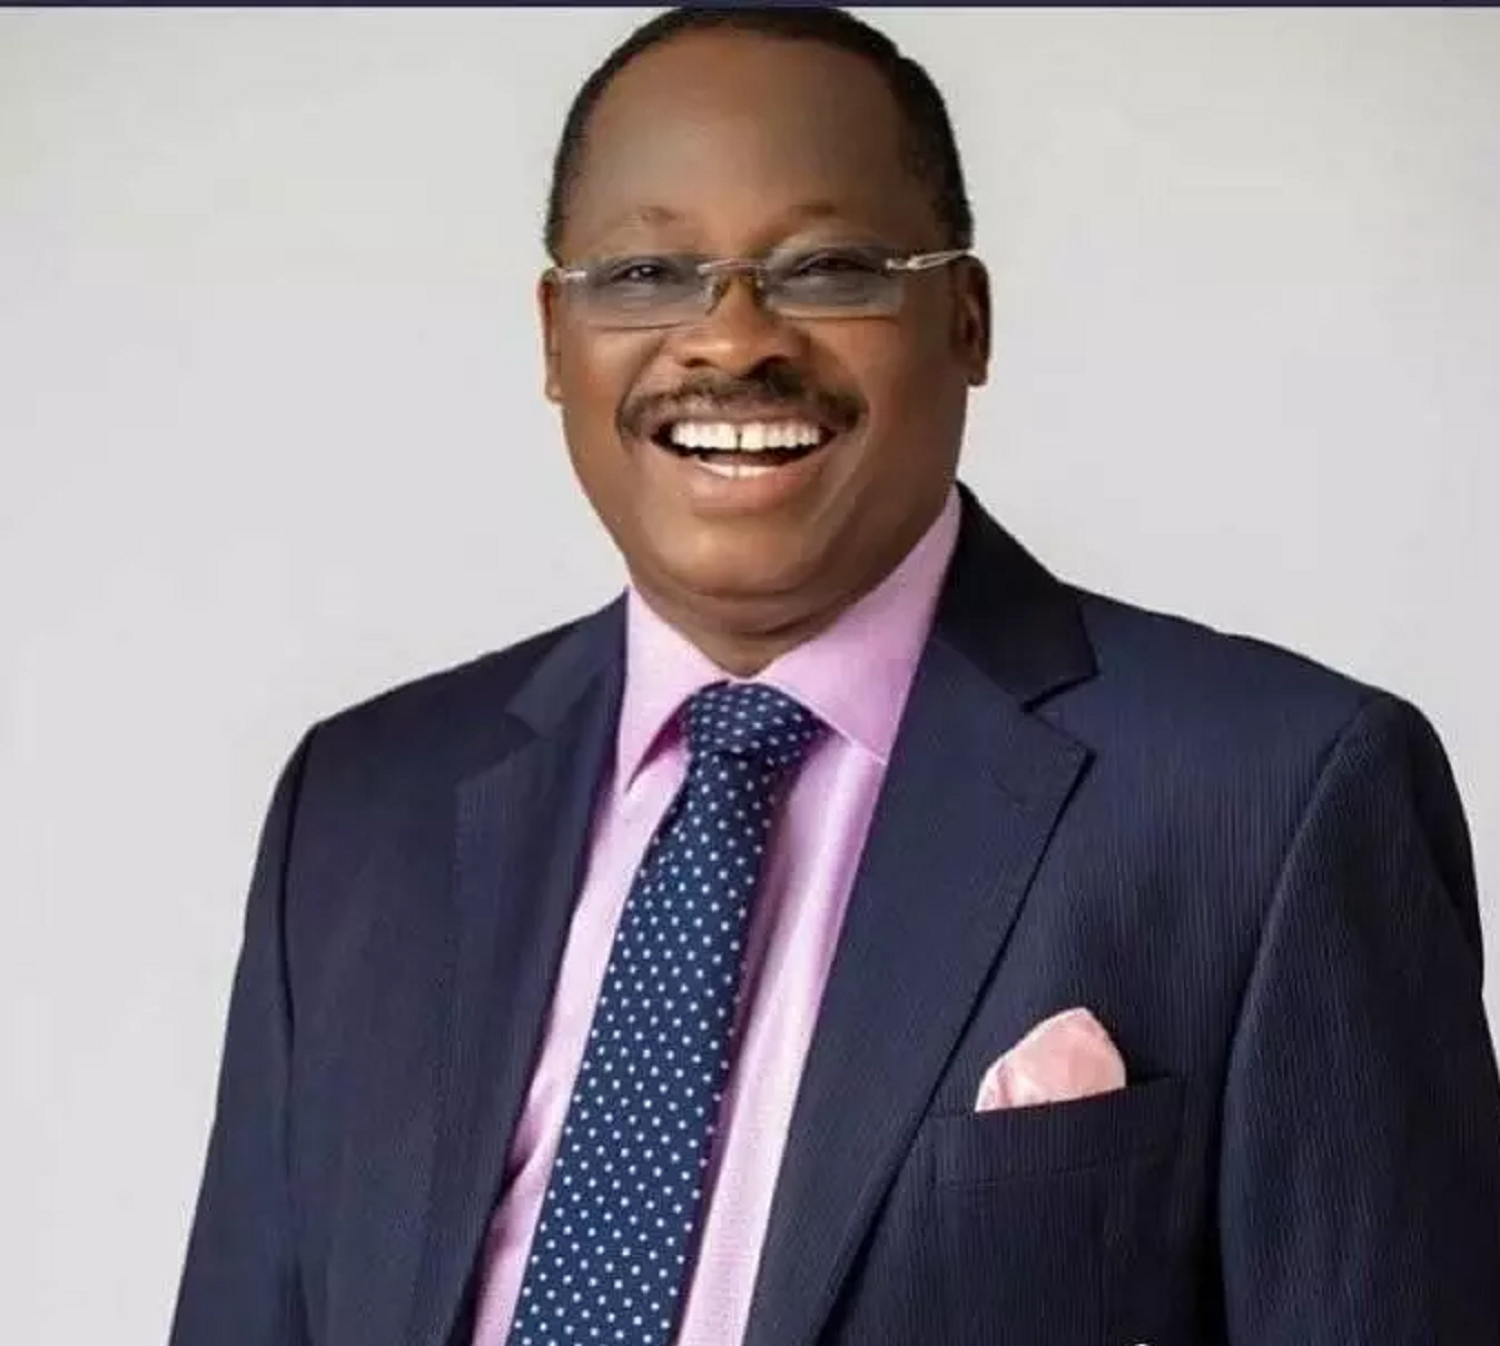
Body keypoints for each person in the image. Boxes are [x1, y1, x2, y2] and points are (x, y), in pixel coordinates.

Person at [169, 7, 1500, 1346]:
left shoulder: (1276, 801)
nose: (731, 340)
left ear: (966, 320)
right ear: (554, 336)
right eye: (646, 273)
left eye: (827, 270)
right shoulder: (361, 808)